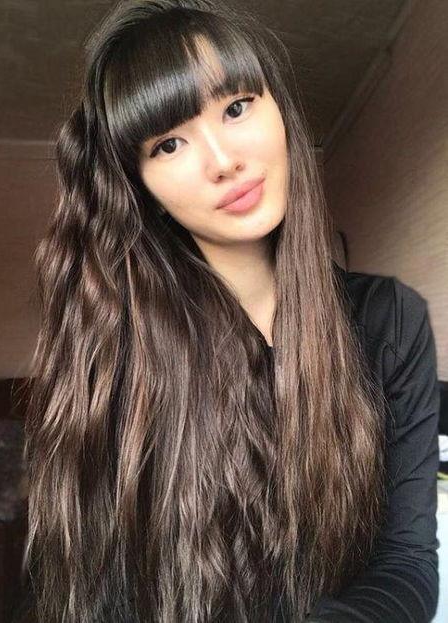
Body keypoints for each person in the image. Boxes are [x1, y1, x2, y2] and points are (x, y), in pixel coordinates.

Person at [22, 1, 441, 621]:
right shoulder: (118, 350)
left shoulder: (390, 322)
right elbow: (95, 590)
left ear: (280, 111)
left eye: (237, 107)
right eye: (168, 144)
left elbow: (407, 563)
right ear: (143, 189)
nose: (222, 161)